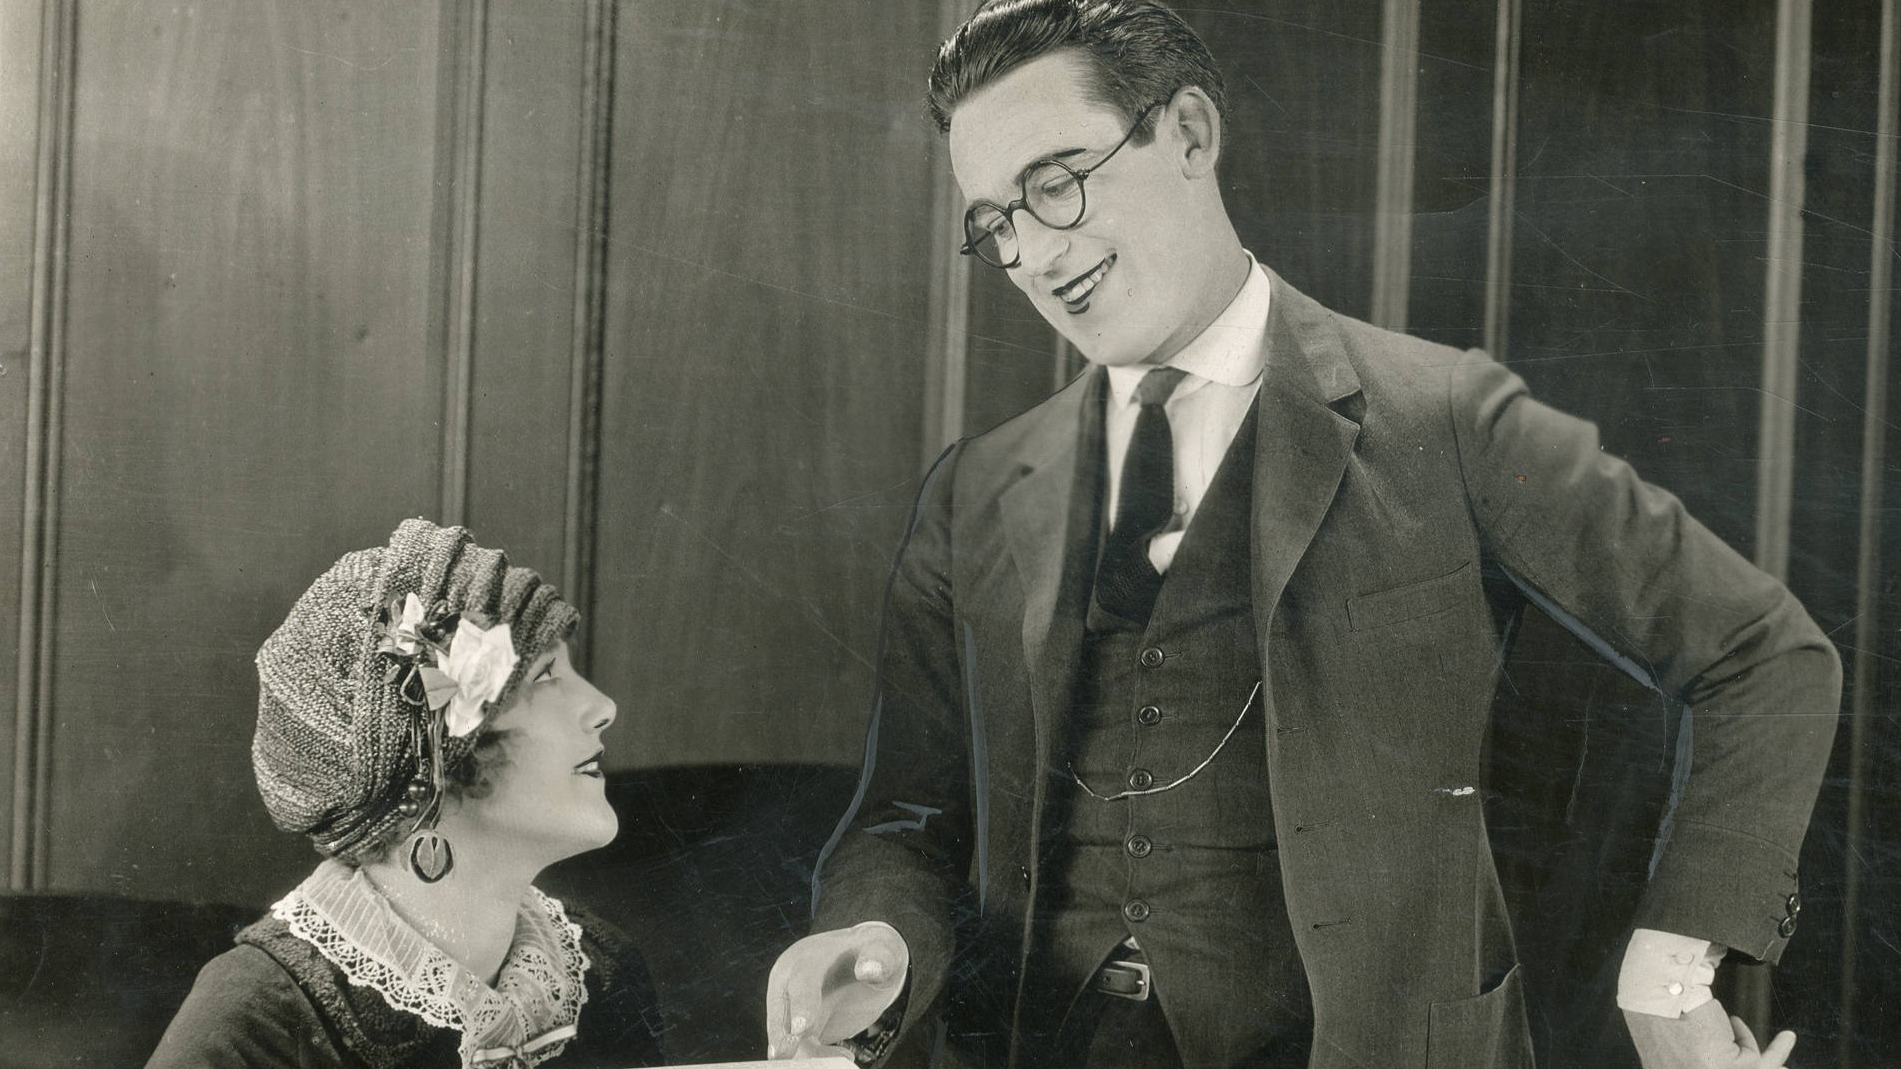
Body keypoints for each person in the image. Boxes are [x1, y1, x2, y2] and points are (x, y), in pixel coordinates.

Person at [765, 2, 1840, 1067]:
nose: (1035, 254)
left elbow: (1761, 655)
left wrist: (1669, 966)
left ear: (1187, 133)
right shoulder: (976, 490)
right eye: (995, 221)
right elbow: (904, 813)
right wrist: (873, 937)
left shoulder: (1444, 416)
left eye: (1055, 183)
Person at [149, 519, 665, 1069]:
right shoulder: (258, 1019)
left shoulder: (598, 972)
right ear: (435, 759)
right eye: (544, 677)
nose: (602, 705)